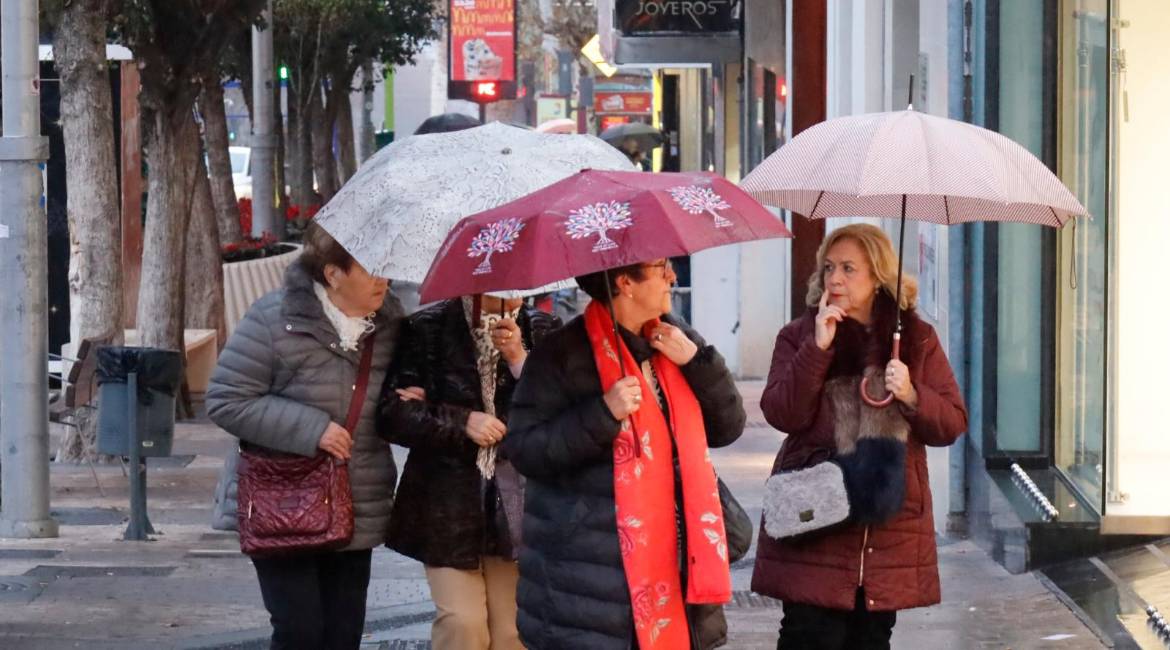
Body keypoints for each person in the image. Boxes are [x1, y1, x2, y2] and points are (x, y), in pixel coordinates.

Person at [503, 258, 746, 650]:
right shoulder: (561, 355)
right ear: (625, 283)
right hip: (591, 582)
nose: (673, 276)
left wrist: (698, 364)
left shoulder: (675, 338)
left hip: (676, 568)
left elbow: (728, 426)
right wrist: (602, 414)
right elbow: (525, 450)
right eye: (661, 267)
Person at [751, 224, 967, 650]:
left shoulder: (916, 340)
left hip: (882, 533)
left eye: (849, 269)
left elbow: (951, 424)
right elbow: (782, 413)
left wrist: (910, 393)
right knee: (808, 635)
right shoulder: (799, 335)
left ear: (878, 276)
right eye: (829, 268)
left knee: (869, 639)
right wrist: (817, 349)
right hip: (814, 520)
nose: (835, 279)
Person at [206, 223, 403, 650]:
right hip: (283, 498)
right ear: (333, 274)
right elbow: (225, 399)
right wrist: (313, 430)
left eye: (386, 269)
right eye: (372, 271)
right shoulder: (274, 318)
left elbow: (398, 406)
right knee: (299, 631)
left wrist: (411, 399)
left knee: (342, 633)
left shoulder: (391, 325)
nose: (383, 280)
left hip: (357, 498)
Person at [377, 293, 559, 650]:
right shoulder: (426, 327)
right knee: (463, 624)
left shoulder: (544, 329)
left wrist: (519, 360)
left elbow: (558, 412)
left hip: (517, 504)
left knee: (513, 631)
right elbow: (392, 415)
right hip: (446, 505)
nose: (511, 289)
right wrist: (462, 422)